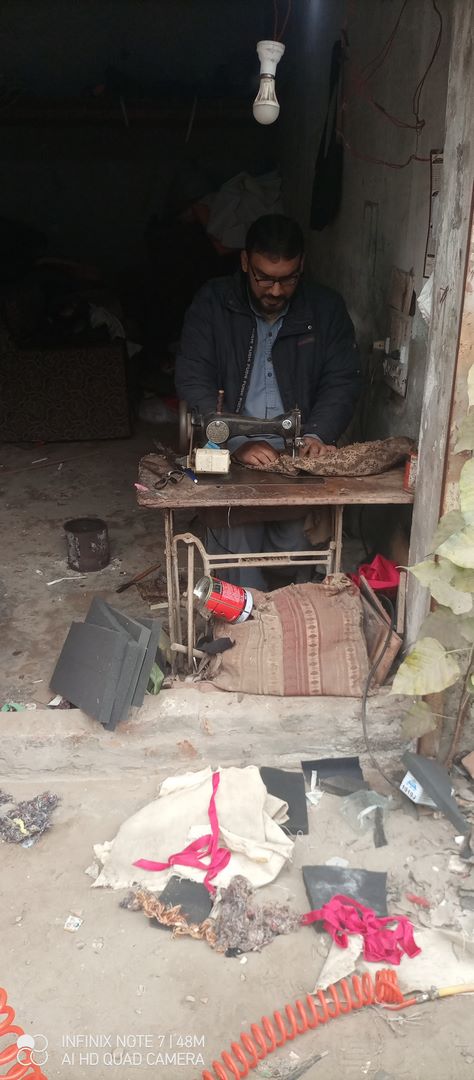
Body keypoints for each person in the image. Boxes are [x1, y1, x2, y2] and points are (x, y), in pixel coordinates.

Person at [175, 214, 361, 589]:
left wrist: (318, 433)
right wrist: (235, 440)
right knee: (237, 532)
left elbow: (341, 380)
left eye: (288, 279)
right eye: (264, 278)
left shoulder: (325, 309)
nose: (275, 290)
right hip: (230, 448)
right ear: (245, 262)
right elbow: (193, 376)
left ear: (302, 265)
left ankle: (290, 612)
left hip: (295, 452)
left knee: (297, 540)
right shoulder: (214, 303)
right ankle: (246, 615)